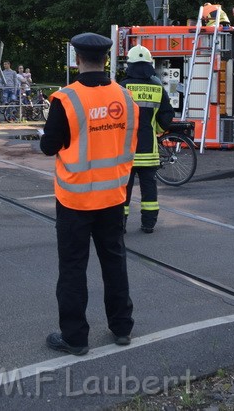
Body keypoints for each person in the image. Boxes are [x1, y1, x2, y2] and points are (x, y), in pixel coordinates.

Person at [39, 32, 139, 355]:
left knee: (72, 267)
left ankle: (75, 337)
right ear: (105, 59)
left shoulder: (66, 100)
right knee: (114, 262)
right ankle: (122, 327)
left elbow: (47, 146)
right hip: (113, 198)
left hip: (75, 200)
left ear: (77, 59)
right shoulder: (126, 98)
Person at [120, 44, 174, 233]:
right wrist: (156, 129)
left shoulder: (122, 88)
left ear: (130, 64)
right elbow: (167, 115)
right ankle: (148, 223)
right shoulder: (158, 87)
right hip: (148, 149)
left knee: (123, 188)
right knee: (149, 188)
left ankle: (121, 224)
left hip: (126, 150)